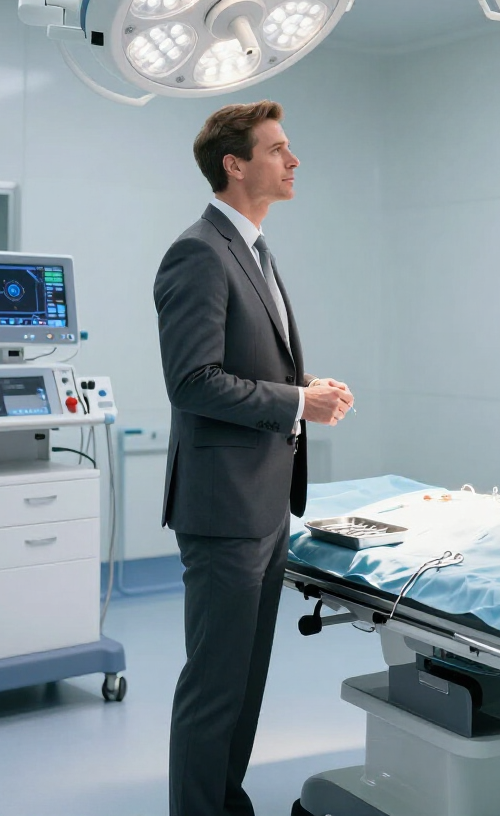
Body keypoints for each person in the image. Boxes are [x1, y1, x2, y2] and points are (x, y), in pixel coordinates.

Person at [153, 99, 354, 816]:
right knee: (214, 689)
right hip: (225, 508)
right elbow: (193, 381)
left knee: (244, 684)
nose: (293, 160)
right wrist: (296, 404)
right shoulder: (199, 252)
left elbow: (244, 365)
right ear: (235, 165)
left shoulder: (255, 250)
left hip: (265, 504)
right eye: (278, 149)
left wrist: (302, 389)